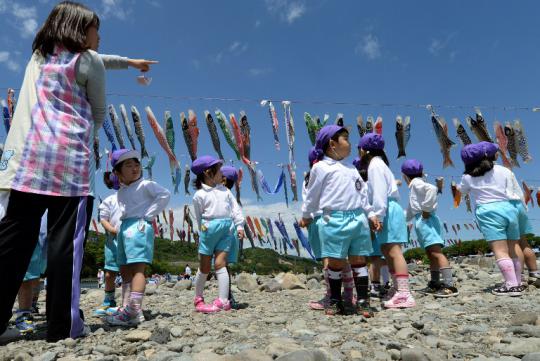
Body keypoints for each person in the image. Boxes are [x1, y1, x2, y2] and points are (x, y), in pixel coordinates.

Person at [0, 1, 158, 342]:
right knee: (65, 246)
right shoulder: (88, 61)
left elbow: (103, 60)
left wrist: (129, 62)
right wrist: (86, 133)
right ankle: (63, 326)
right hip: (69, 165)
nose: (100, 35)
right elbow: (99, 110)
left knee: (12, 241)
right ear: (78, 28)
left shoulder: (38, 56)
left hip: (27, 162)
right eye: (95, 28)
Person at [300, 125, 374, 316]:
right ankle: (335, 299)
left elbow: (362, 193)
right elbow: (312, 195)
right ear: (332, 144)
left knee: (359, 259)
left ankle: (364, 300)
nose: (350, 143)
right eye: (346, 139)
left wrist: (370, 213)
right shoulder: (320, 167)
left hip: (357, 218)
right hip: (334, 218)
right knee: (335, 262)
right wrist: (306, 215)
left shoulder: (352, 168)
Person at [105, 149, 170, 325]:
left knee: (137, 269)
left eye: (136, 164)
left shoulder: (145, 184)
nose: (134, 168)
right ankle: (130, 308)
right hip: (124, 228)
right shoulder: (122, 190)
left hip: (139, 227)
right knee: (125, 269)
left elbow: (164, 194)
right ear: (117, 173)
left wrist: (149, 215)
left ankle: (133, 309)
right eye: (128, 165)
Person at [458, 143, 524, 296]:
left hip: (488, 211)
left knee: (500, 250)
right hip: (509, 208)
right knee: (513, 247)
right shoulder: (503, 170)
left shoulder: (467, 177)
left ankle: (511, 285)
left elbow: (462, 192)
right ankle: (518, 282)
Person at [358, 133, 415, 308]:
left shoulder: (375, 165)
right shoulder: (379, 164)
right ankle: (397, 289)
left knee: (393, 251)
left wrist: (378, 215)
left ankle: (405, 293)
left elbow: (379, 193)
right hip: (388, 209)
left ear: (364, 150)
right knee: (387, 250)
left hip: (387, 209)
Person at [191, 156, 245, 313]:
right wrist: (201, 231)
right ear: (208, 173)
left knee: (220, 264)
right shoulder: (199, 195)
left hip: (226, 229)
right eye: (219, 170)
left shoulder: (226, 191)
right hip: (208, 230)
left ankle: (223, 300)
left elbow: (235, 209)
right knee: (205, 266)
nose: (222, 174)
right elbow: (199, 216)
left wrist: (239, 225)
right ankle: (198, 298)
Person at [481, 142, 540, 285]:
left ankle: (518, 277)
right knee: (524, 242)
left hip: (504, 209)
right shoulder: (506, 170)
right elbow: (518, 191)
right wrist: (523, 207)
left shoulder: (481, 172)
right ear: (496, 155)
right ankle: (534, 273)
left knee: (512, 245)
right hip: (518, 206)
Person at [401, 159, 458, 297]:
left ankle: (449, 285)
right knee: (431, 254)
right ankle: (434, 283)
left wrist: (426, 209)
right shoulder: (416, 185)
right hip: (421, 219)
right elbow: (411, 209)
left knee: (436, 253)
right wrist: (402, 219)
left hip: (426, 220)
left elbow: (432, 189)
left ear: (405, 176)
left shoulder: (416, 183)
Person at [94, 180, 122, 316]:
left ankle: (130, 303)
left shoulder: (135, 197)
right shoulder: (110, 199)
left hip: (130, 238)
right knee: (109, 273)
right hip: (112, 240)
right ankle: (109, 300)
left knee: (130, 272)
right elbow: (103, 218)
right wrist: (111, 229)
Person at [221, 165, 246, 309]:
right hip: (227, 231)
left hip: (225, 232)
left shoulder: (224, 194)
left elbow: (237, 213)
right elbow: (238, 213)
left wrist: (240, 226)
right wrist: (240, 227)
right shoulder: (227, 194)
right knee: (223, 266)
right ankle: (226, 296)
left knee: (221, 265)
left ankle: (226, 296)